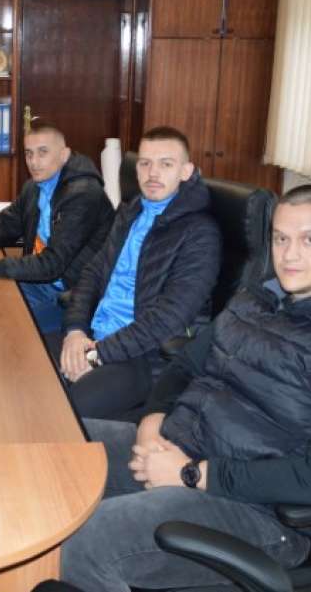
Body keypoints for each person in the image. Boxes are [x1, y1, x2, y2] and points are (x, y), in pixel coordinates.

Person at [59, 185, 311, 592]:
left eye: (309, 240)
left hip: (258, 509)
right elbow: (185, 365)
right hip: (177, 445)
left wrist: (192, 474)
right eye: (280, 238)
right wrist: (151, 423)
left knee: (81, 546)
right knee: (47, 449)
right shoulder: (259, 296)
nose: (290, 255)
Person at [59, 126, 221, 419]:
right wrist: (75, 331)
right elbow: (93, 273)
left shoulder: (200, 234)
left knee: (63, 410)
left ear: (186, 171)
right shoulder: (131, 212)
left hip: (145, 357)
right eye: (145, 163)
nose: (153, 173)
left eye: (166, 164)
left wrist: (96, 355)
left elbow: (168, 319)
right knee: (25, 365)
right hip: (95, 336)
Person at [0, 123, 114, 334]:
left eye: (42, 153)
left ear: (64, 155)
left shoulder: (83, 195)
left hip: (72, 297)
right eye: (29, 154)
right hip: (38, 280)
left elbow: (52, 264)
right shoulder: (36, 186)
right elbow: (7, 222)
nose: (34, 162)